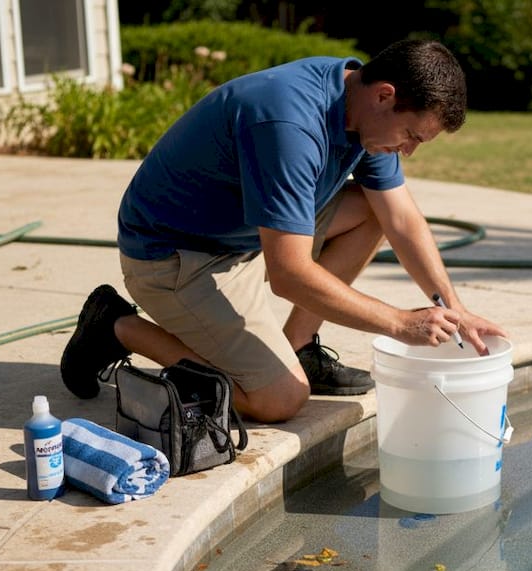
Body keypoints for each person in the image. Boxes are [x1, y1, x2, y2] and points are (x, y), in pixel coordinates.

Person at [60, 39, 506, 423]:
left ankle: (297, 347)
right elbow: (289, 274)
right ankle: (115, 326)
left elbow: (401, 218)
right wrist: (400, 323)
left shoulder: (358, 102)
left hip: (243, 235)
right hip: (175, 259)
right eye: (411, 136)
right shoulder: (290, 123)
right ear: (386, 96)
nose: (407, 151)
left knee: (372, 210)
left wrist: (453, 307)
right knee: (280, 399)